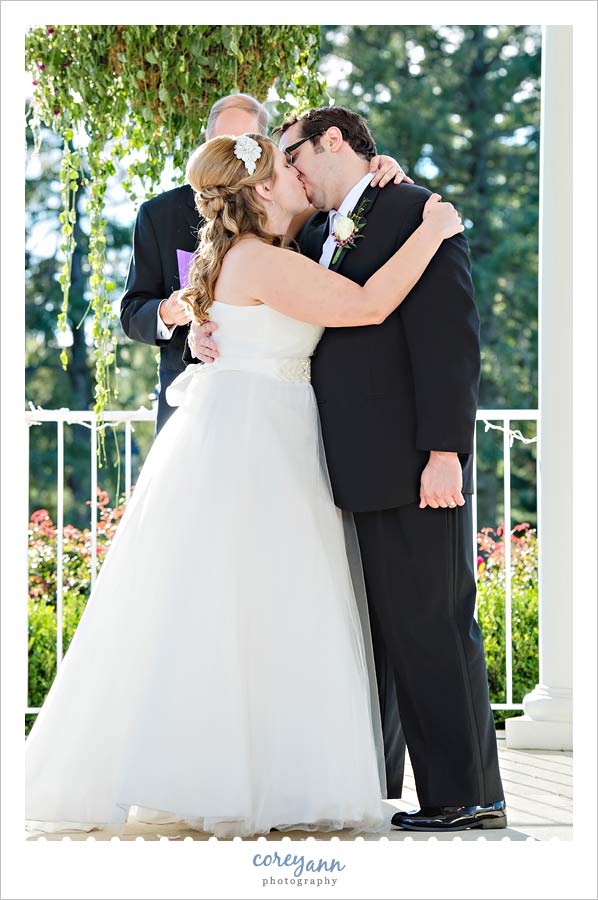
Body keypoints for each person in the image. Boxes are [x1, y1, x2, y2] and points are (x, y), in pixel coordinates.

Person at [25, 132, 463, 839]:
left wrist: (381, 174)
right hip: (259, 444)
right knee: (254, 609)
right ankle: (245, 780)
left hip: (261, 434)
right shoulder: (259, 260)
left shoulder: (259, 251)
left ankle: (254, 772)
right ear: (260, 190)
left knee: (255, 612)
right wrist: (436, 229)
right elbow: (369, 305)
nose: (299, 174)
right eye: (286, 167)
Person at [190, 106, 507, 832]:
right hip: (341, 467)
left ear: (333, 143)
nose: (290, 174)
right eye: (278, 167)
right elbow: (239, 295)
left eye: (295, 157)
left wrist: (443, 451)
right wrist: (200, 329)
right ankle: (397, 784)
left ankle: (468, 796)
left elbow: (448, 343)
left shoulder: (417, 211)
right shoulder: (307, 231)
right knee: (386, 631)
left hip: (412, 463)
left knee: (432, 622)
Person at [119, 92, 410, 433]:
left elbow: (343, 190)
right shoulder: (160, 215)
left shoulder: (303, 209)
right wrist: (180, 315)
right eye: (224, 142)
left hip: (301, 410)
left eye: (244, 142)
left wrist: (373, 167)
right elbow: (132, 312)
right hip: (211, 410)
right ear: (207, 143)